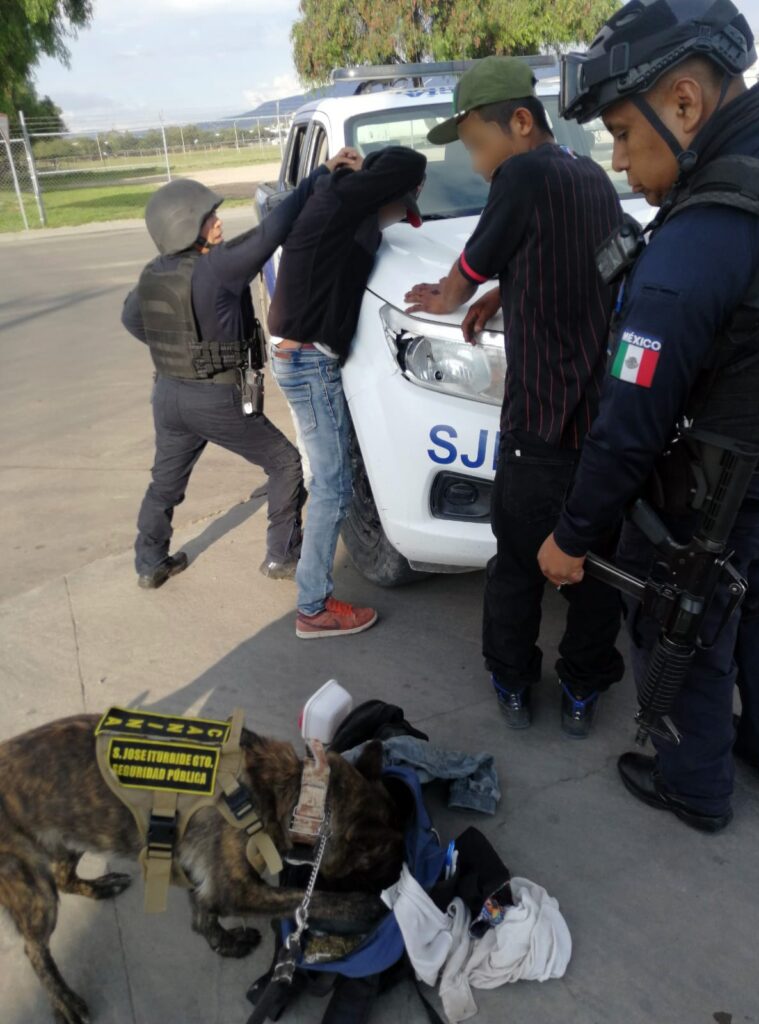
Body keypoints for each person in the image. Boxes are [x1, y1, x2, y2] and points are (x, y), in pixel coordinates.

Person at [539, 0, 759, 830]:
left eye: (622, 135)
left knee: (684, 632)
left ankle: (694, 787)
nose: (620, 161)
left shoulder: (702, 233)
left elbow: (631, 420)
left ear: (683, 104)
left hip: (717, 490)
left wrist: (573, 535)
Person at [404, 56, 625, 737]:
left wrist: (451, 293)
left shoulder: (520, 174)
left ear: (521, 123)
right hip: (602, 427)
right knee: (596, 570)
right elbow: (602, 264)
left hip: (539, 423)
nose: (476, 165)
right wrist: (514, 284)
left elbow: (467, 269)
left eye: (476, 144)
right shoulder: (591, 178)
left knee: (518, 567)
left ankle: (511, 678)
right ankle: (584, 687)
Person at [122, 149, 358, 589]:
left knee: (164, 484)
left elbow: (133, 320)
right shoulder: (218, 267)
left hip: (169, 397)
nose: (218, 221)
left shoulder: (152, 274)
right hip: (216, 399)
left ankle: (150, 562)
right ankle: (282, 556)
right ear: (184, 226)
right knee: (286, 464)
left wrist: (181, 353)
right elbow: (274, 229)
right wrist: (320, 175)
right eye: (209, 216)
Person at [268, 144, 427, 639]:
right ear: (386, 192)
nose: (396, 220)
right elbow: (403, 164)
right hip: (309, 362)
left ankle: (309, 589)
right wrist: (367, 171)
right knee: (333, 489)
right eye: (401, 208)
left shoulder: (335, 206)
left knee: (327, 482)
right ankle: (313, 606)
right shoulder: (341, 205)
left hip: (300, 357)